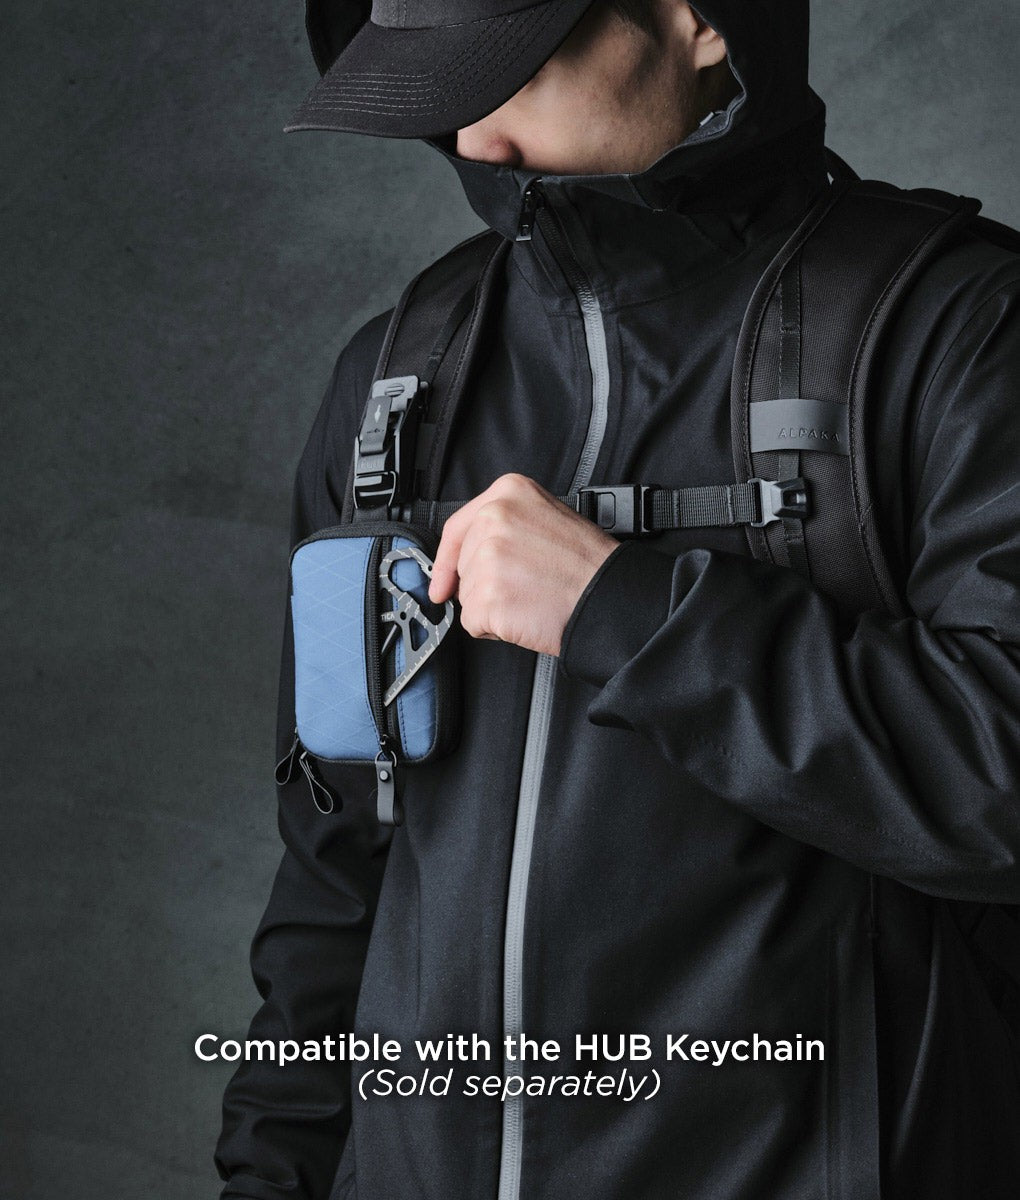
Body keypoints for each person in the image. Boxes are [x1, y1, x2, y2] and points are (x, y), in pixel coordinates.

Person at [215, 1, 1020, 1197]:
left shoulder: (956, 328)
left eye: (511, 69)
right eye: (439, 86)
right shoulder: (395, 380)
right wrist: (266, 1178)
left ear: (697, 20)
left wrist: (623, 613)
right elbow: (335, 869)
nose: (472, 142)